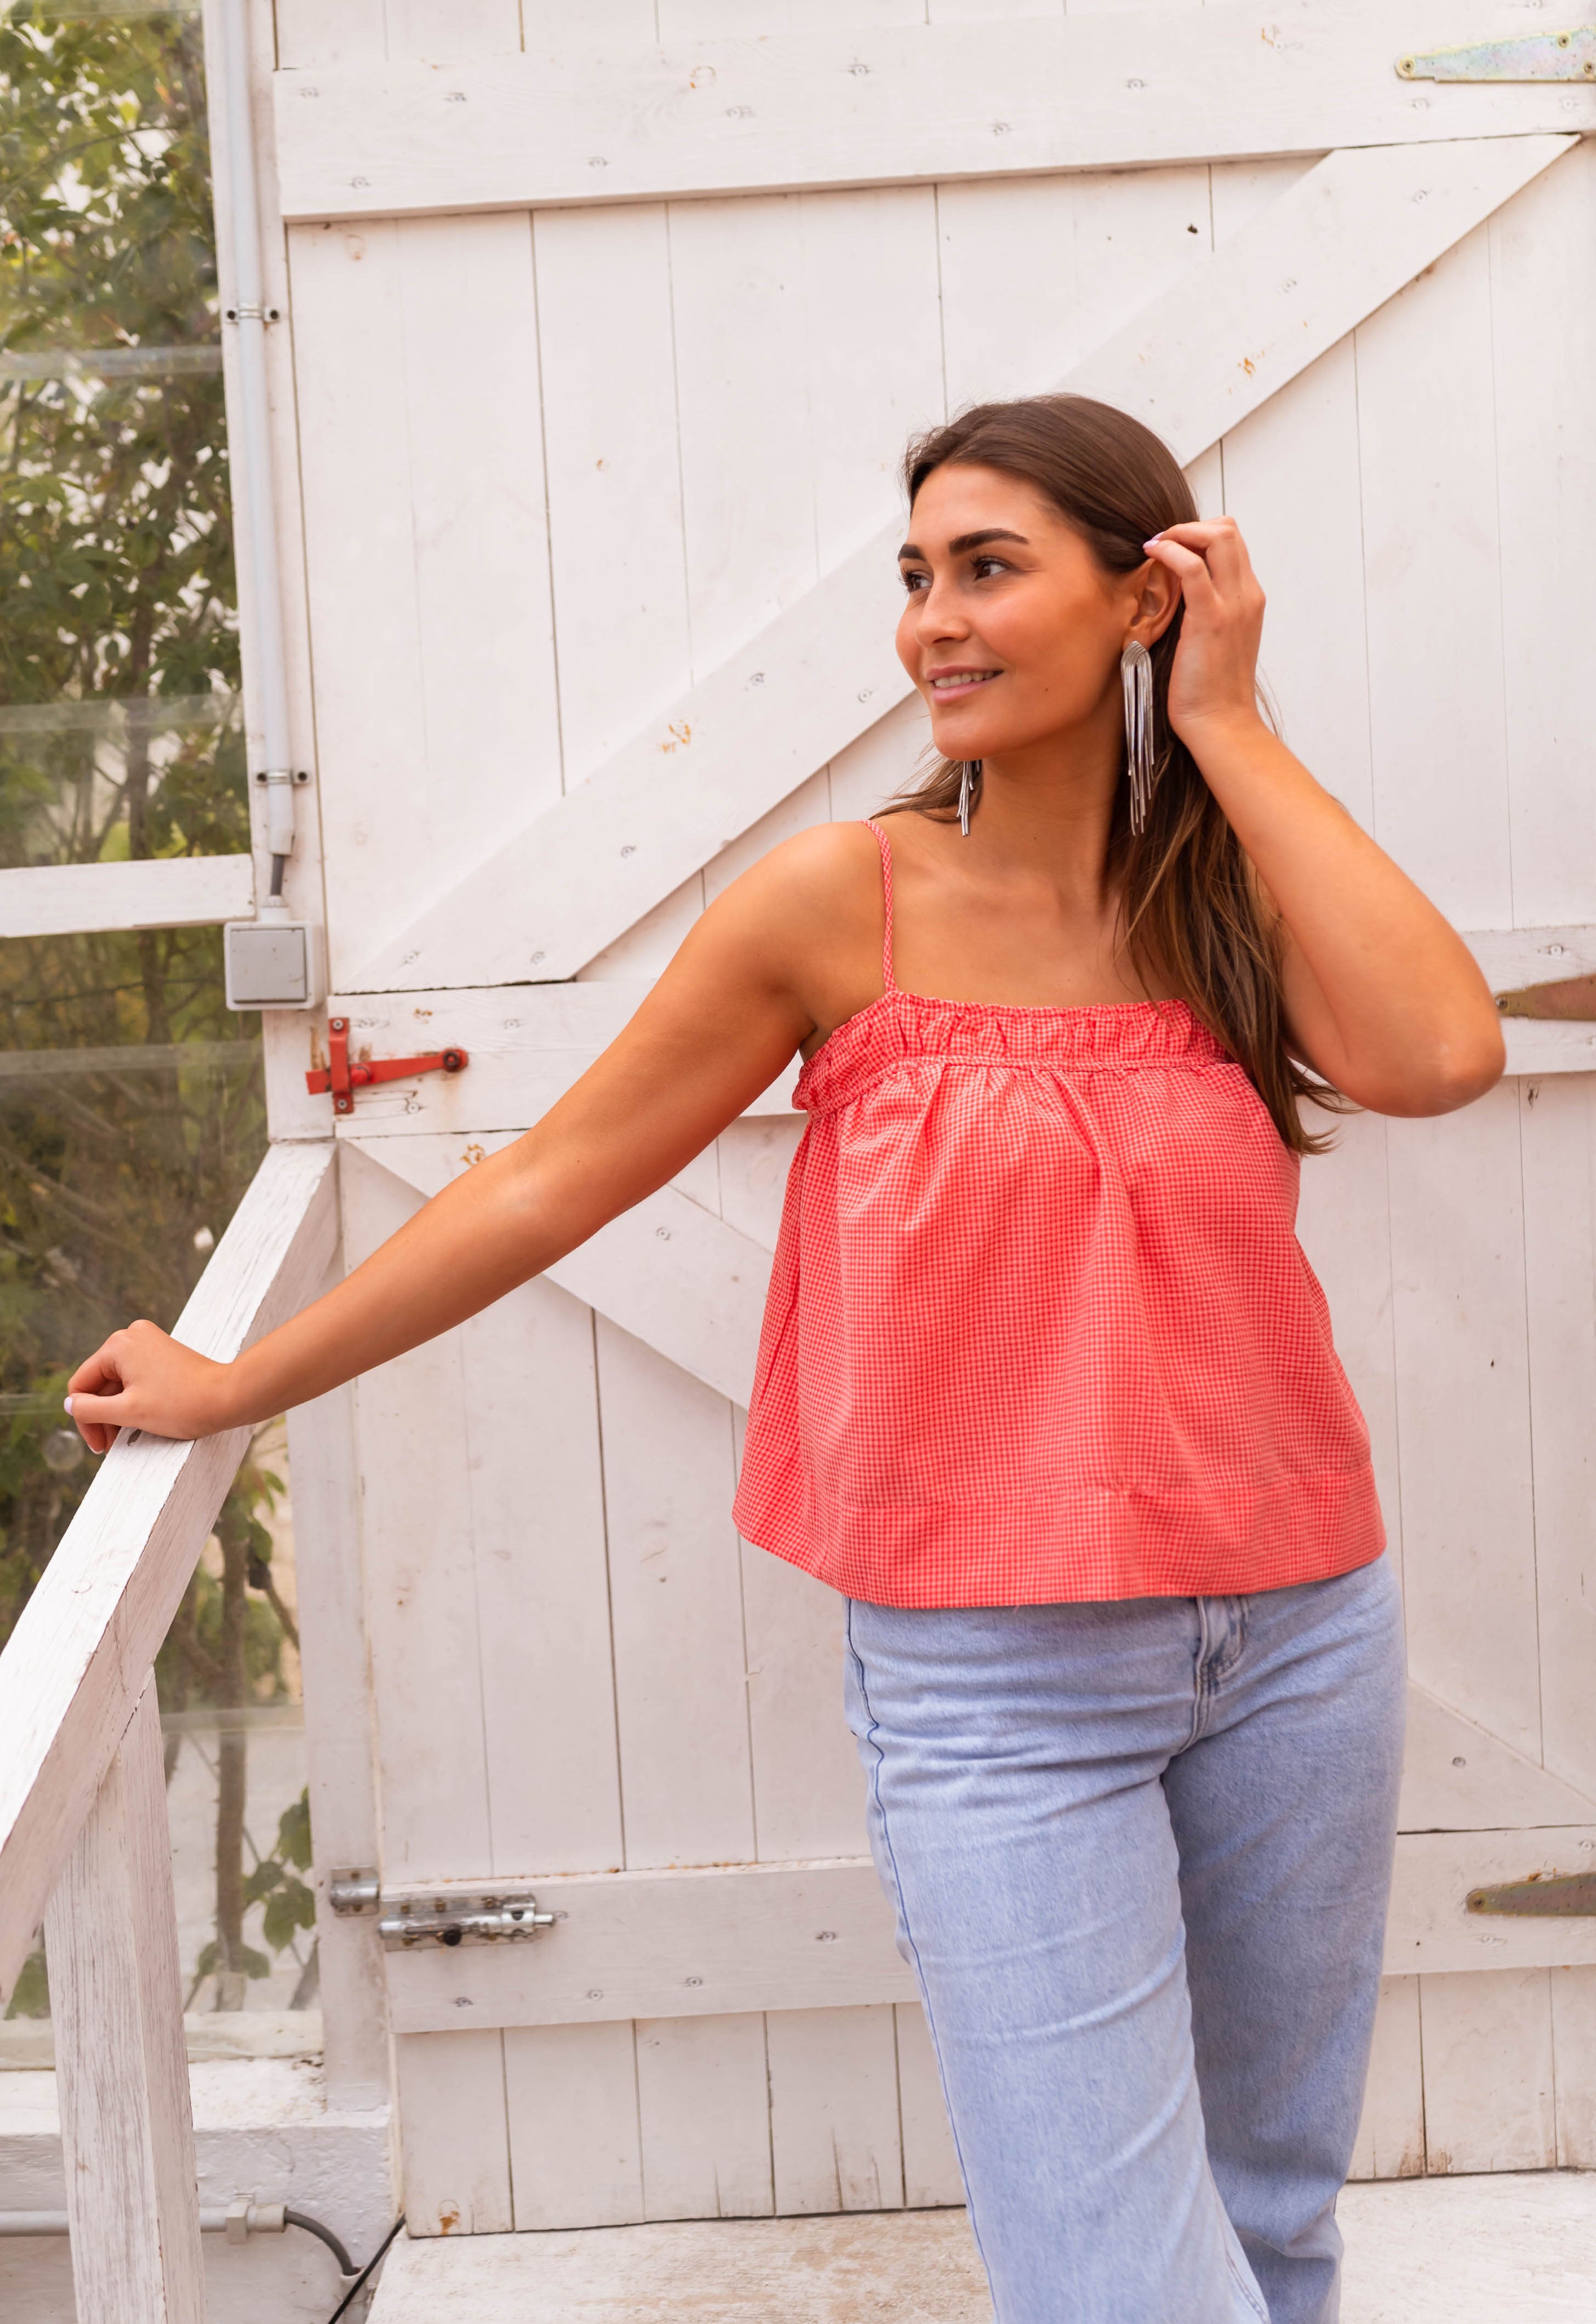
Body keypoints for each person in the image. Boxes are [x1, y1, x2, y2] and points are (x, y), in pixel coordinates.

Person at [67, 395, 1504, 2323]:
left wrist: (1233, 726)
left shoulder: (1224, 886)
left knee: (1266, 2217)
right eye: (915, 577)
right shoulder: (844, 901)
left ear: (1144, 593)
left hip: (1302, 1627)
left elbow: (1435, 1055)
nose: (931, 621)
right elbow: (557, 1177)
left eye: (986, 568)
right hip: (996, 1675)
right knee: (1119, 2283)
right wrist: (241, 1387)